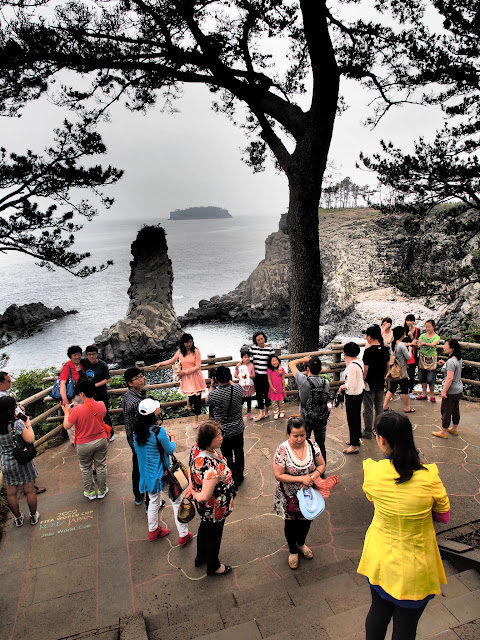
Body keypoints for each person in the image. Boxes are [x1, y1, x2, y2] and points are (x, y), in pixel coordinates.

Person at [358, 411, 450, 640]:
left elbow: (374, 501)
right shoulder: (430, 477)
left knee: (378, 612)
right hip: (416, 567)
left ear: (382, 440)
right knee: (406, 629)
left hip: (380, 560)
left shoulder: (373, 472)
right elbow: (443, 517)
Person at [133, 397, 193, 545]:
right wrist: (172, 438)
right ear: (153, 414)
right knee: (177, 501)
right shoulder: (158, 431)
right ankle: (183, 534)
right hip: (162, 474)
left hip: (147, 475)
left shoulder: (137, 432)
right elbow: (170, 449)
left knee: (153, 501)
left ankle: (153, 530)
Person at [273, 417, 325, 569]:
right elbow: (279, 475)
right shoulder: (282, 450)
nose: (300, 439)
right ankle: (292, 550)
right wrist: (302, 479)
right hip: (289, 496)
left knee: (306, 520)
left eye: (302, 435)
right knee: (291, 523)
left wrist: (311, 477)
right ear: (288, 434)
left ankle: (301, 543)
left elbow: (321, 465)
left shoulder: (312, 445)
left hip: (308, 494)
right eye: (295, 436)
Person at [187, 420, 235, 576]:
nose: (221, 437)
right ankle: (214, 566)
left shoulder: (197, 449)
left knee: (204, 528)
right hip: (215, 507)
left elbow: (190, 469)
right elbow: (205, 496)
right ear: (209, 439)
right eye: (218, 435)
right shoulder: (211, 467)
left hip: (205, 509)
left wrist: (192, 486)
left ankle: (200, 557)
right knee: (215, 534)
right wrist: (195, 494)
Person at [0, 371, 46, 495]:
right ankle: (30, 488)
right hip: (16, 433)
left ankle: (27, 487)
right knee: (24, 457)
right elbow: (30, 438)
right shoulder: (2, 399)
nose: (11, 382)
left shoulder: (4, 394)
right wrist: (26, 423)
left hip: (6, 451)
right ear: (1, 383)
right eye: (8, 381)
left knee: (11, 490)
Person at [62, 379, 109, 499]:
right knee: (101, 466)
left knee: (85, 468)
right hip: (101, 440)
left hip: (83, 443)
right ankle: (102, 490)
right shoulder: (101, 405)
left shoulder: (77, 410)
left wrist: (67, 413)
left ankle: (90, 492)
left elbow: (66, 426)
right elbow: (101, 415)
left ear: (82, 394)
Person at [0, 395, 40, 526]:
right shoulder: (17, 424)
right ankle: (33, 516)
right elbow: (30, 439)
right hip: (22, 460)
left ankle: (18, 519)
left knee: (11, 493)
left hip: (6, 462)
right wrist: (28, 425)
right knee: (29, 490)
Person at [155, 333, 206, 429]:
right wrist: (160, 363)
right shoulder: (180, 351)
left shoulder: (196, 351)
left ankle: (196, 419)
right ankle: (189, 400)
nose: (189, 344)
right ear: (183, 343)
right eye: (187, 342)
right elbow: (172, 360)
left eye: (190, 342)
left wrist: (184, 372)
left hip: (195, 377)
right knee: (192, 398)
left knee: (197, 400)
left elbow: (198, 367)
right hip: (186, 378)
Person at [206, 365, 245, 487]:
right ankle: (240, 475)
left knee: (227, 455)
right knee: (239, 452)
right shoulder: (238, 388)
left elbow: (207, 401)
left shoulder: (214, 394)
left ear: (216, 379)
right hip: (238, 428)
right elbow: (234, 385)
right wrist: (229, 379)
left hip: (223, 431)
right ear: (230, 376)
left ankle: (232, 477)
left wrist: (212, 385)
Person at [288, 355, 330, 466]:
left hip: (306, 419)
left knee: (305, 443)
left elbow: (291, 364)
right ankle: (322, 468)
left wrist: (304, 359)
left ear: (307, 369)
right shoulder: (326, 383)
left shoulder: (303, 381)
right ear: (321, 369)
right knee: (321, 444)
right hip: (321, 418)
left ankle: (307, 466)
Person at [123, 367, 155, 507]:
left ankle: (138, 495)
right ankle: (149, 501)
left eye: (142, 376)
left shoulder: (129, 395)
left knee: (137, 466)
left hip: (132, 436)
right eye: (137, 378)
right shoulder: (136, 402)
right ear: (130, 383)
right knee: (145, 468)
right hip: (139, 439)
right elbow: (146, 420)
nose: (141, 380)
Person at [81, 345, 114, 442]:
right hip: (89, 395)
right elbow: (73, 361)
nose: (91, 356)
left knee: (104, 413)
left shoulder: (102, 365)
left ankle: (110, 433)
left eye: (93, 354)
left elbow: (108, 379)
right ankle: (96, 434)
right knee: (90, 414)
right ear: (86, 355)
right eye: (89, 354)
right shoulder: (84, 361)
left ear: (97, 354)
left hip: (101, 393)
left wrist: (94, 385)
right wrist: (64, 364)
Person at [362, 326, 390, 439]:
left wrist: (362, 380)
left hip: (369, 382)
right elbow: (388, 365)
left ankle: (368, 431)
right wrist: (385, 376)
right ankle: (379, 430)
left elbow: (366, 369)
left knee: (368, 408)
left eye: (366, 336)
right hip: (380, 381)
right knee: (379, 407)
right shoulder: (385, 350)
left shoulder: (368, 351)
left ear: (369, 337)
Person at [432, 339, 463, 439]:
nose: (444, 347)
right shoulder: (458, 359)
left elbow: (450, 378)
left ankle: (443, 431)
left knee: (446, 410)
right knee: (455, 409)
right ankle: (454, 428)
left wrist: (444, 391)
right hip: (458, 389)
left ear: (452, 348)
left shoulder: (451, 362)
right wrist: (445, 364)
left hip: (451, 390)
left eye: (446, 345)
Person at [339, 342, 365, 454]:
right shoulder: (359, 361)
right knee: (356, 417)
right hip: (359, 392)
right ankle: (355, 438)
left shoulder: (351, 367)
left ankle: (354, 445)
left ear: (344, 353)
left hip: (353, 395)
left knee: (352, 419)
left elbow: (351, 385)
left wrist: (342, 387)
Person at [383, 327, 415, 414]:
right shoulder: (401, 345)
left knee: (392, 388)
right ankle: (407, 407)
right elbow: (408, 357)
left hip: (394, 370)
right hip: (401, 370)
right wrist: (410, 350)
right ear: (402, 334)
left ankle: (385, 406)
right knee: (404, 389)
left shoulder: (393, 344)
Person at [59, 345, 86, 444]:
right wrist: (64, 399)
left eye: (79, 354)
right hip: (71, 398)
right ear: (70, 356)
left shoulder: (81, 364)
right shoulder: (67, 367)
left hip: (81, 396)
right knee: (72, 421)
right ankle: (75, 441)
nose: (77, 357)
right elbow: (62, 383)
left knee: (82, 419)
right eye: (74, 355)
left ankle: (82, 439)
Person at [250, 331, 275, 421]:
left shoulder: (269, 349)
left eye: (262, 339)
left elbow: (274, 361)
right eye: (258, 340)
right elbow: (247, 358)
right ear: (255, 341)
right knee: (259, 394)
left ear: (264, 338)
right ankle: (260, 413)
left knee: (267, 393)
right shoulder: (253, 348)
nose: (261, 341)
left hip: (267, 375)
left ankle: (266, 411)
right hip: (257, 375)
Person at [415, 320, 441, 402]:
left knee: (431, 378)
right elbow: (418, 343)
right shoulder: (422, 336)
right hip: (422, 357)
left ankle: (432, 395)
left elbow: (433, 344)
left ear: (433, 327)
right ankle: (424, 394)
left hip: (431, 358)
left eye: (429, 327)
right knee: (422, 377)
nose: (427, 328)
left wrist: (424, 344)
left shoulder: (436, 337)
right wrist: (417, 344)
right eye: (426, 327)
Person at [234, 349, 255, 419]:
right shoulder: (239, 365)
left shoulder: (251, 365)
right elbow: (235, 375)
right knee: (241, 400)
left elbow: (253, 375)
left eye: (248, 357)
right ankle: (238, 413)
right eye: (245, 357)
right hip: (242, 385)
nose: (247, 358)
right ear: (242, 358)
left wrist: (248, 376)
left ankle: (249, 413)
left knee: (249, 399)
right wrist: (241, 377)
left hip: (249, 385)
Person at [404, 314, 420, 398]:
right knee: (403, 372)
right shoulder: (404, 330)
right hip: (404, 353)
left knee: (411, 373)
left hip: (413, 354)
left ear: (414, 321)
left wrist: (412, 337)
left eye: (411, 321)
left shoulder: (417, 330)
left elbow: (417, 344)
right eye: (407, 320)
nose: (409, 322)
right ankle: (404, 390)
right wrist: (410, 343)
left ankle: (410, 390)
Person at [267, 354, 286, 419]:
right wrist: (272, 388)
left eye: (276, 360)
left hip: (280, 388)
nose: (275, 362)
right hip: (273, 388)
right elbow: (269, 379)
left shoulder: (281, 369)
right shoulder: (269, 370)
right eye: (273, 361)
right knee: (274, 402)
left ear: (278, 361)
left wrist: (284, 388)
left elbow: (283, 379)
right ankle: (276, 412)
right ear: (270, 362)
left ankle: (282, 411)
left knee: (281, 401)